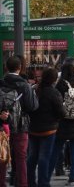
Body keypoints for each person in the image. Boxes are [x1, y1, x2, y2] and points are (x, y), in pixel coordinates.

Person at [0, 55, 39, 187]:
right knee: (21, 157)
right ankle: (22, 183)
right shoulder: (24, 85)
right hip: (20, 125)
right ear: (20, 68)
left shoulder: (1, 83)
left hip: (2, 126)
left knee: (3, 156)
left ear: (6, 67)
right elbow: (32, 106)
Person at [48, 63, 74, 186]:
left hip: (63, 121)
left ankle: (48, 175)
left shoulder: (61, 84)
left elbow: (56, 102)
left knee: (56, 148)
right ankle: (72, 178)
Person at [27, 68, 65, 187]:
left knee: (32, 157)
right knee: (44, 157)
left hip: (33, 128)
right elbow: (61, 112)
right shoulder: (54, 92)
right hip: (48, 130)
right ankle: (43, 183)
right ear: (54, 79)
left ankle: (30, 182)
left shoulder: (34, 89)